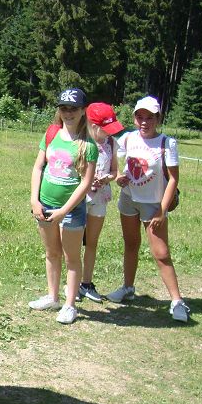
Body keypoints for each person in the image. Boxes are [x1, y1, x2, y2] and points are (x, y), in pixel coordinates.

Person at [107, 96, 190, 322]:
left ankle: (177, 301)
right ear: (134, 118)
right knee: (130, 244)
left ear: (158, 118)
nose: (144, 122)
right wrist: (119, 177)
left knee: (161, 254)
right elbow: (116, 163)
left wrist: (162, 210)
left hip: (153, 204)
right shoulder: (127, 138)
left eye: (150, 117)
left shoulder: (167, 143)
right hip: (128, 199)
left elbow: (173, 179)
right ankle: (128, 288)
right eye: (140, 117)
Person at [28, 88, 98, 325]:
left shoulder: (88, 145)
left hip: (71, 210)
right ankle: (52, 297)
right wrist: (34, 200)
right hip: (45, 205)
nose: (68, 113)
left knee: (71, 258)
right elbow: (38, 167)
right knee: (51, 253)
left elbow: (86, 183)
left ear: (82, 111)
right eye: (64, 108)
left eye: (73, 109)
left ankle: (70, 305)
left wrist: (64, 211)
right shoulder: (51, 134)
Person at [80, 102, 125, 302]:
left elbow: (115, 171)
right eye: (106, 128)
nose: (110, 132)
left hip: (100, 198)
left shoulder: (112, 143)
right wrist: (86, 180)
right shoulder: (81, 141)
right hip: (80, 197)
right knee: (73, 242)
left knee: (92, 241)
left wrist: (107, 178)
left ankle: (86, 283)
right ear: (93, 125)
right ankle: (72, 283)